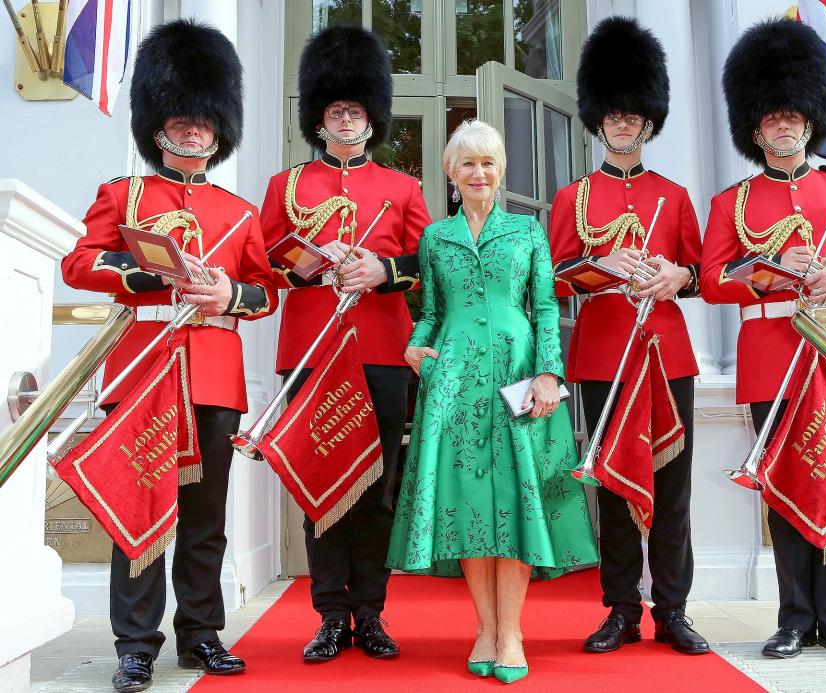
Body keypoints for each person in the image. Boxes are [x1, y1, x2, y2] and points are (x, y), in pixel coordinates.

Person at [61, 19, 278, 692]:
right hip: (142, 369)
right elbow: (78, 263)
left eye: (204, 124)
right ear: (157, 128)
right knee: (139, 512)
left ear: (219, 132)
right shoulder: (121, 195)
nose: (192, 132)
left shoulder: (241, 213)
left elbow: (266, 292)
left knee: (205, 518)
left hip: (212, 372)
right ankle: (134, 643)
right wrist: (148, 272)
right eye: (181, 121)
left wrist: (229, 292)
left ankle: (201, 633)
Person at [386, 120, 598, 684]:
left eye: (489, 163)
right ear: (451, 174)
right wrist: (415, 346)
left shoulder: (528, 232)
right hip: (454, 380)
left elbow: (547, 307)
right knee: (468, 502)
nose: (479, 173)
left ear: (501, 170)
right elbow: (430, 311)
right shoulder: (434, 238)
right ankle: (483, 626)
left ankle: (512, 632)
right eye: (468, 165)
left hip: (518, 374)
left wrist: (551, 373)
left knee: (516, 497)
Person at [701, 18, 826, 663]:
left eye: (792, 118)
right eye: (770, 121)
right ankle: (794, 617)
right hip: (773, 357)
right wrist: (770, 272)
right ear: (755, 130)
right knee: (781, 486)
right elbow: (712, 280)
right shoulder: (733, 202)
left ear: (809, 120)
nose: (782, 129)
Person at [259, 26, 431, 663]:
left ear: (372, 116)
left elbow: (426, 263)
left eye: (357, 110)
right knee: (319, 480)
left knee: (379, 486)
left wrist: (381, 271)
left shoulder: (403, 188)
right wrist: (309, 262)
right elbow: (267, 261)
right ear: (319, 116)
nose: (346, 117)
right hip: (310, 350)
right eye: (336, 109)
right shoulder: (285, 186)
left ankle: (372, 611)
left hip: (382, 350)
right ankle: (331, 613)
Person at [549, 17, 708, 656]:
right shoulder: (573, 196)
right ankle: (620, 608)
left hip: (666, 352)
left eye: (632, 115)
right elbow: (558, 279)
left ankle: (672, 608)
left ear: (648, 121)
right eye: (611, 114)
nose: (621, 123)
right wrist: (602, 266)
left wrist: (677, 275)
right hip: (603, 354)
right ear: (599, 120)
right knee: (611, 487)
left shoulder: (674, 195)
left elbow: (701, 274)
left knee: (673, 489)